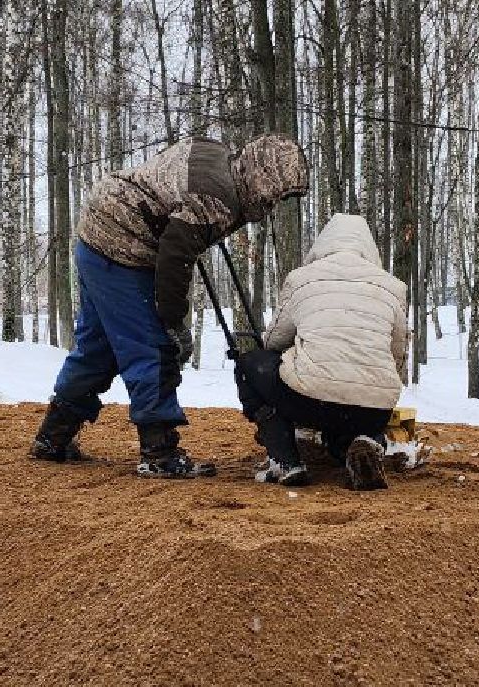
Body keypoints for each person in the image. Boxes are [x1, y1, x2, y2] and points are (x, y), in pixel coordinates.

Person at [30, 134, 308, 478]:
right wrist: (174, 322)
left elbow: (173, 197)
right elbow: (175, 260)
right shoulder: (216, 198)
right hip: (123, 245)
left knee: (98, 349)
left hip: (97, 235)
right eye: (273, 198)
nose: (270, 207)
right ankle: (159, 453)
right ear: (261, 179)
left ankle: (52, 438)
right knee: (153, 346)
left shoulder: (218, 156)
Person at [233, 214, 407, 491]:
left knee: (249, 364)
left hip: (311, 400)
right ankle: (364, 441)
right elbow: (397, 352)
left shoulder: (302, 279)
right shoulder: (393, 286)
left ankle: (285, 460)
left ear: (322, 244)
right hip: (375, 407)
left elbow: (275, 341)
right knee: (355, 400)